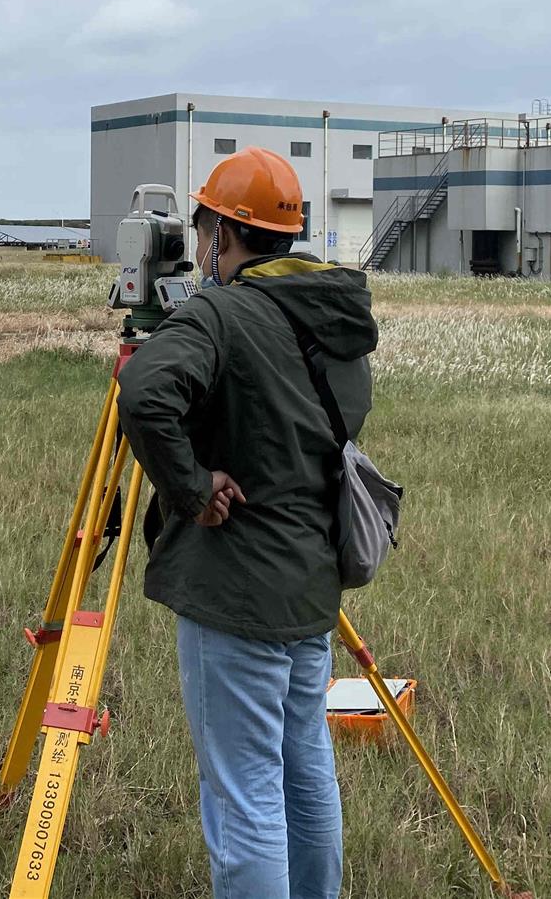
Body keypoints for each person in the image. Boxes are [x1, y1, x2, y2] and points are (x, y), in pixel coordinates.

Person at [116, 145, 378, 899]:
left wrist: (193, 487)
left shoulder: (221, 312)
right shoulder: (332, 317)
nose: (197, 251)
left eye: (202, 235)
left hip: (237, 592)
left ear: (223, 236)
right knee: (305, 771)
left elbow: (144, 395)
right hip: (308, 587)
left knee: (245, 799)